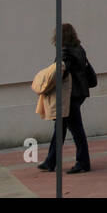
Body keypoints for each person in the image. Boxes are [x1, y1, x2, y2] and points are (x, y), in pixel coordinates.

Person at [38, 23, 93, 174]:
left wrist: (46, 82)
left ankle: (83, 163)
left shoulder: (65, 51)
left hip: (69, 96)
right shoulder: (79, 49)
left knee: (76, 129)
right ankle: (50, 161)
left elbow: (60, 72)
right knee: (60, 128)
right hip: (79, 93)